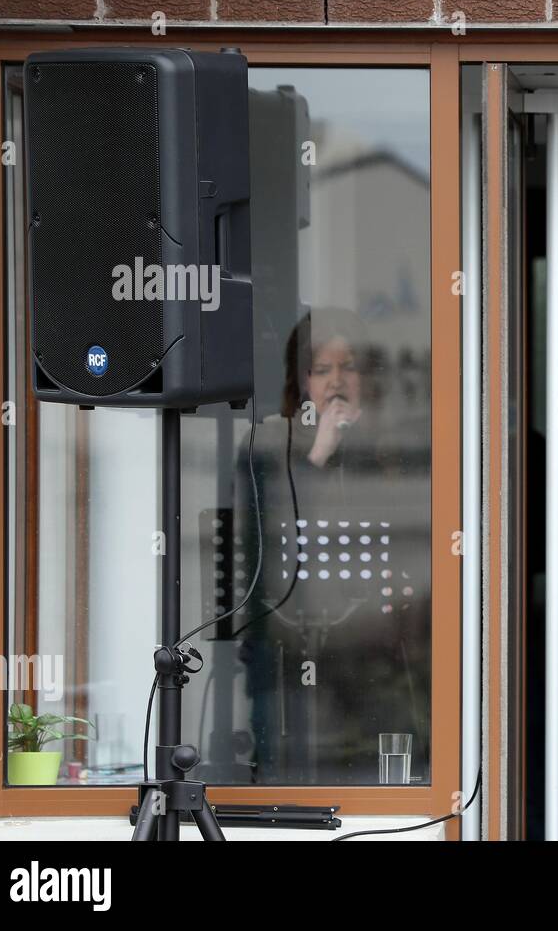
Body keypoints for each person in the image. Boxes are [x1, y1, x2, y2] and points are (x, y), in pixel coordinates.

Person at [233, 307, 431, 785]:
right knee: (287, 771)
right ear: (301, 380)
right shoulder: (269, 439)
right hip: (288, 640)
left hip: (380, 648)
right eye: (322, 370)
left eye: (348, 367)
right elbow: (269, 528)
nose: (336, 381)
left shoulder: (391, 442)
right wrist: (318, 451)